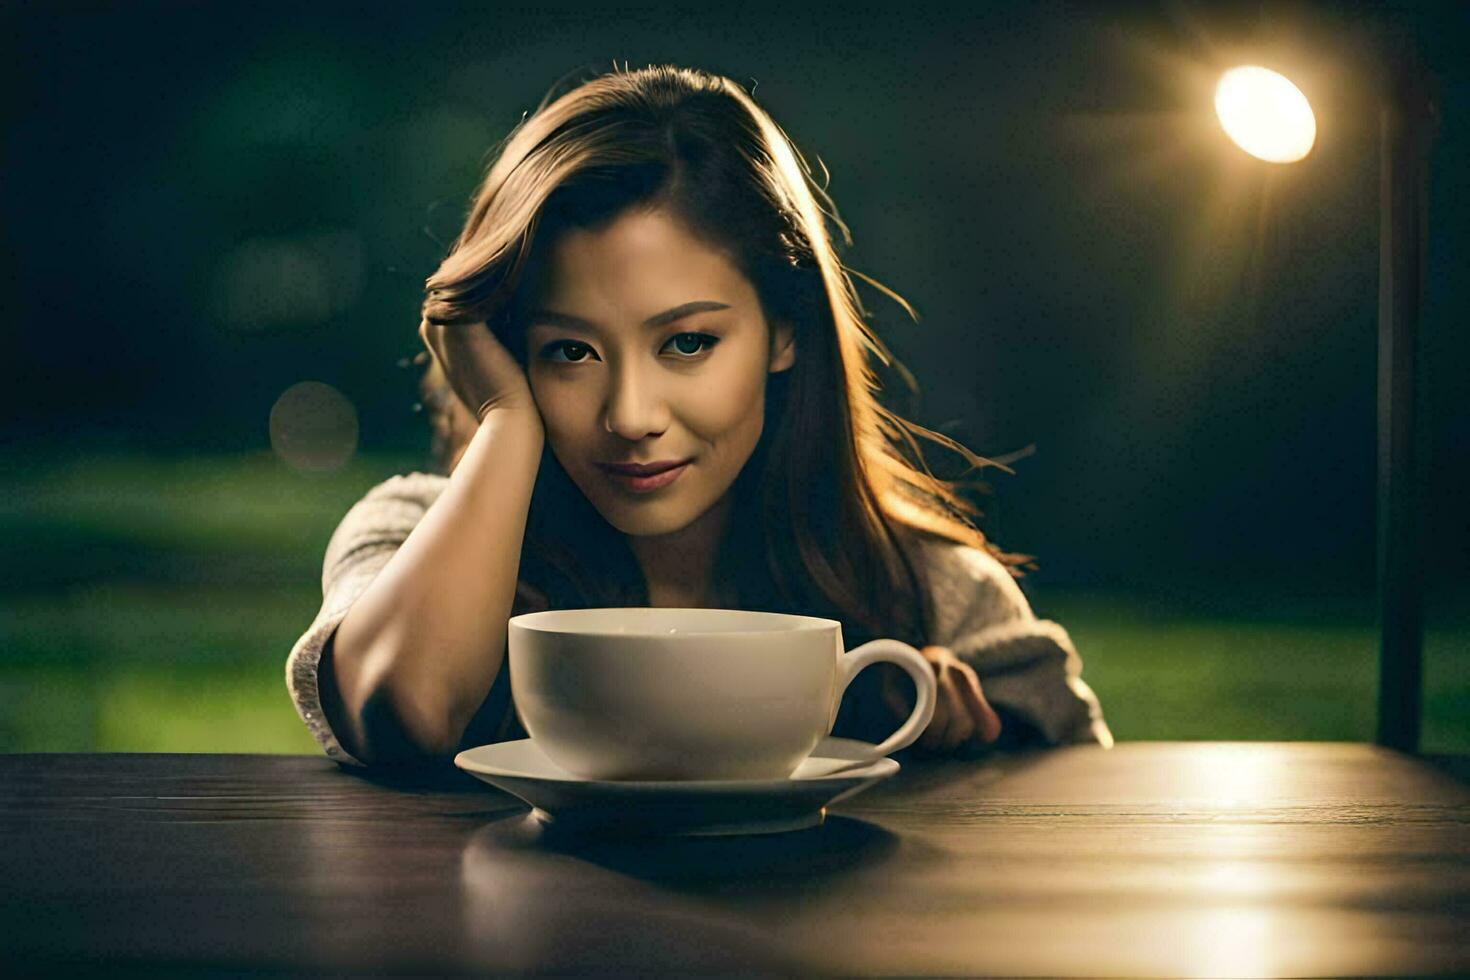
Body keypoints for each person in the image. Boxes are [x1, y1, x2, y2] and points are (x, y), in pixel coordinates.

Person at [285, 64, 1113, 772]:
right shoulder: (403, 537)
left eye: (686, 342)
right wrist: (506, 422)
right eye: (570, 353)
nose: (631, 416)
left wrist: (968, 769)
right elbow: (407, 716)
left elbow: (1102, 823)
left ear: (785, 329)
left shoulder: (930, 593)